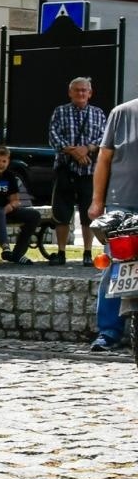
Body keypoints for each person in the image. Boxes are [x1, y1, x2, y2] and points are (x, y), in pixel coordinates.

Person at [86, 95, 138, 351]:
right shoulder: (121, 113)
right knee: (115, 266)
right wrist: (97, 201)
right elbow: (104, 159)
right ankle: (108, 331)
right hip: (121, 205)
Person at [47, 76, 106, 266]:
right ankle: (61, 252)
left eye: (84, 90)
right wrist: (74, 152)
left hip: (89, 172)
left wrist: (87, 149)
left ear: (90, 93)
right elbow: (53, 136)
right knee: (62, 213)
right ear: (70, 92)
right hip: (65, 169)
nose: (80, 93)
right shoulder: (60, 112)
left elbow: (104, 137)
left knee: (88, 213)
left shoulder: (98, 114)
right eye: (77, 90)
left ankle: (88, 253)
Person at [0, 145, 42, 264]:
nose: (1, 164)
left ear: (8, 161)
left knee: (34, 215)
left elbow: (15, 200)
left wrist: (10, 207)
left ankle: (17, 254)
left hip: (3, 210)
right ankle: (5, 247)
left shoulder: (10, 176)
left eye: (4, 161)